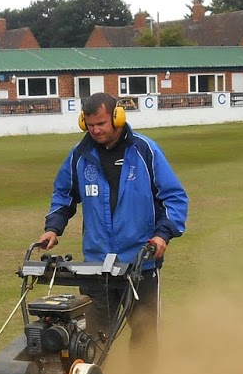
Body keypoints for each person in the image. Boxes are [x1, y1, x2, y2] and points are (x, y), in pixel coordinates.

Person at [35, 91, 188, 351]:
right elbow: (63, 195)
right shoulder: (79, 156)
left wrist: (162, 234)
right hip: (96, 265)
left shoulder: (145, 151)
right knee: (91, 338)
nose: (95, 130)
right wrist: (53, 229)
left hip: (140, 262)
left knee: (145, 334)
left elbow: (174, 197)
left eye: (101, 124)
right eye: (90, 125)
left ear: (118, 117)